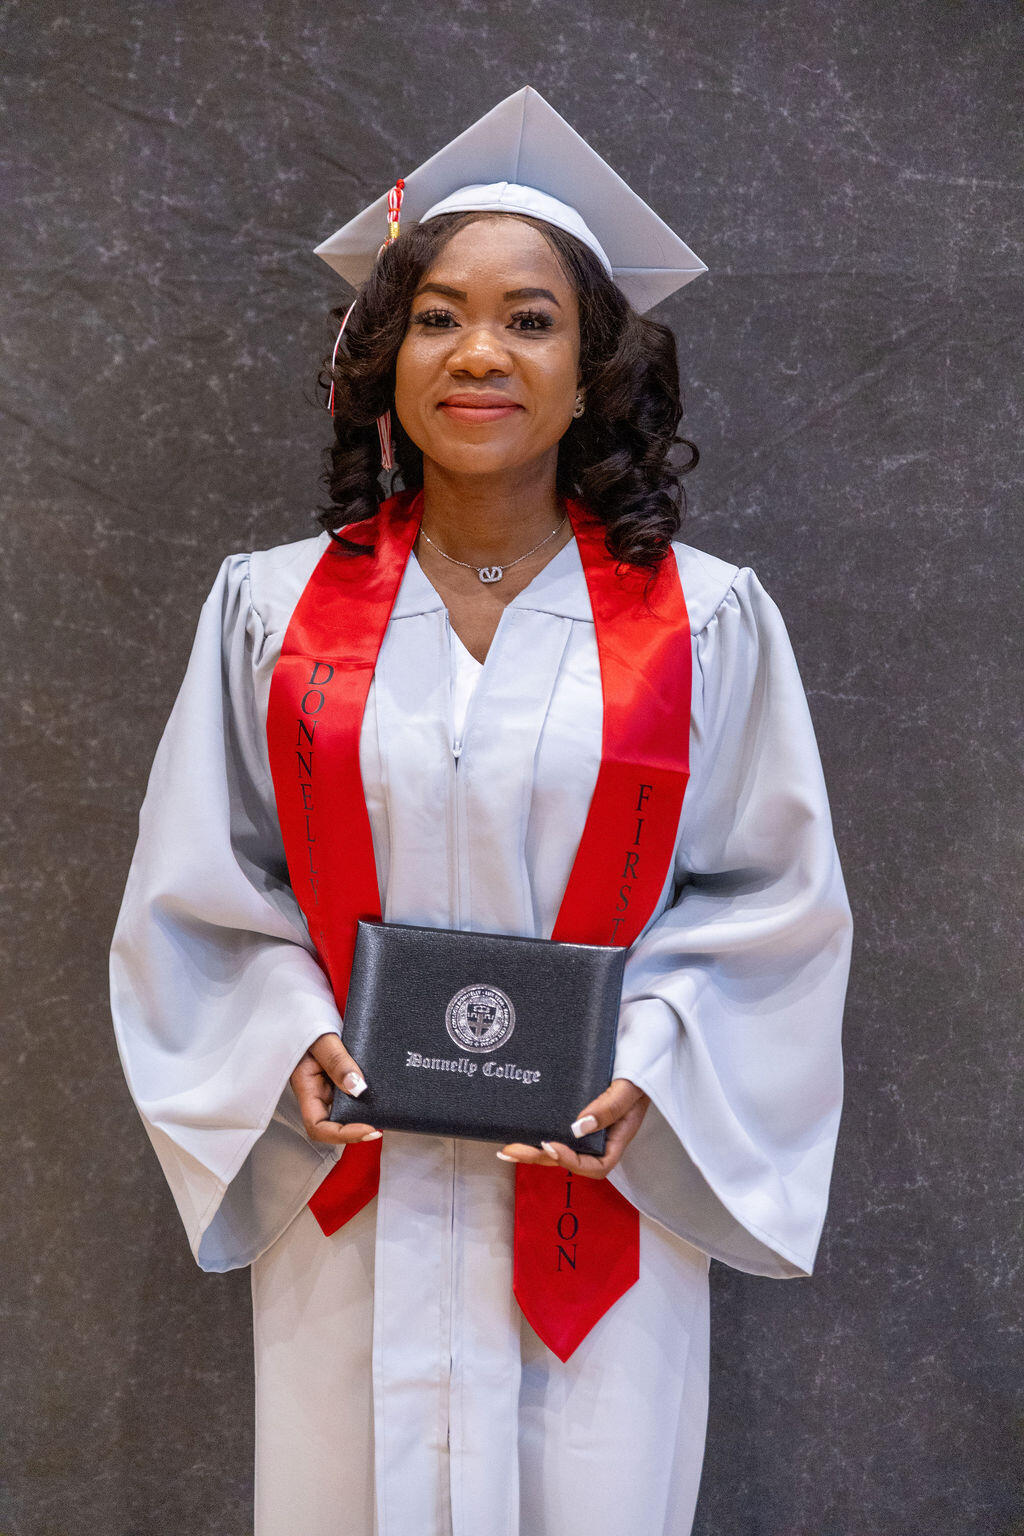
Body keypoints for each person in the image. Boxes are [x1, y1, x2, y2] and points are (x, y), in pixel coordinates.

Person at [110, 86, 853, 1536]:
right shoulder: (271, 612)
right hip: (357, 1202)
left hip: (594, 1205)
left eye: (530, 320)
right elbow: (204, 885)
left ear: (591, 372)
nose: (479, 353)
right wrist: (288, 1034)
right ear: (384, 358)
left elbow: (772, 903)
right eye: (438, 316)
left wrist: (650, 1061)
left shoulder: (706, 625)